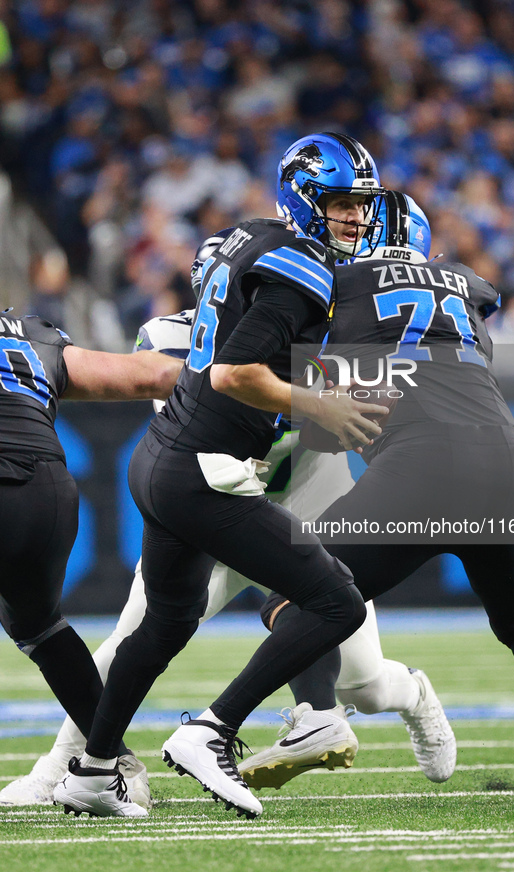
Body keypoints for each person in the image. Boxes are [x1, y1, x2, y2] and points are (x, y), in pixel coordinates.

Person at [1, 232, 455, 806]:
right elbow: (197, 409)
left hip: (300, 505)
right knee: (130, 640)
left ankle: (411, 694)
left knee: (363, 683)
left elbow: (350, 429)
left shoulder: (325, 332)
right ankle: (68, 767)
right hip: (216, 502)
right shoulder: (171, 337)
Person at [52, 132, 390, 820]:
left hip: (161, 457)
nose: (355, 217)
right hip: (207, 469)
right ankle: (211, 730)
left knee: (165, 624)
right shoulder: (303, 265)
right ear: (305, 198)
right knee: (336, 601)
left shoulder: (250, 236)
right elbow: (236, 372)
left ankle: (90, 768)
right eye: (340, 203)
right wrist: (313, 399)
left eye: (362, 204)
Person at [236, 190, 514, 807]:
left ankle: (318, 715)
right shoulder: (462, 284)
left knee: (296, 594)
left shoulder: (333, 280)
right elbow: (473, 306)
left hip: (421, 463)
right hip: (507, 454)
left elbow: (311, 381)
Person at [0, 311, 182, 813]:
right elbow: (153, 374)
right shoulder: (29, 334)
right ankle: (114, 766)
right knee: (39, 627)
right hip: (47, 490)